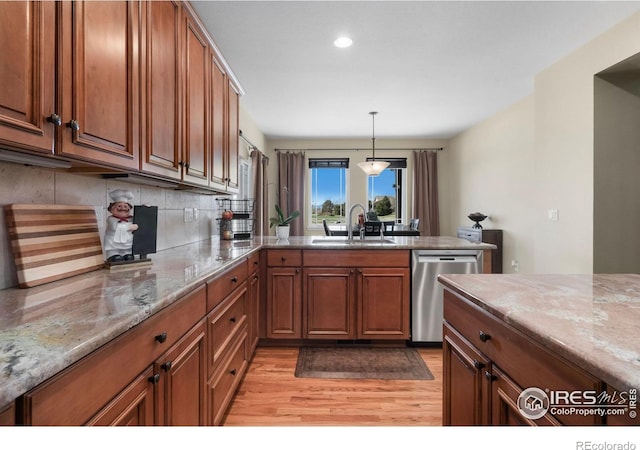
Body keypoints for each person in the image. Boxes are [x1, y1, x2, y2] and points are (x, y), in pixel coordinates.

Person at [104, 189, 138, 262]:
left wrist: (145, 208)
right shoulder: (111, 219)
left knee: (128, 255)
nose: (123, 208)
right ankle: (113, 256)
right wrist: (129, 227)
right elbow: (115, 227)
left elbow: (140, 219)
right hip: (114, 244)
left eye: (125, 207)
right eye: (119, 206)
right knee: (115, 254)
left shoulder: (131, 218)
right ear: (112, 209)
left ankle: (127, 254)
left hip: (127, 244)